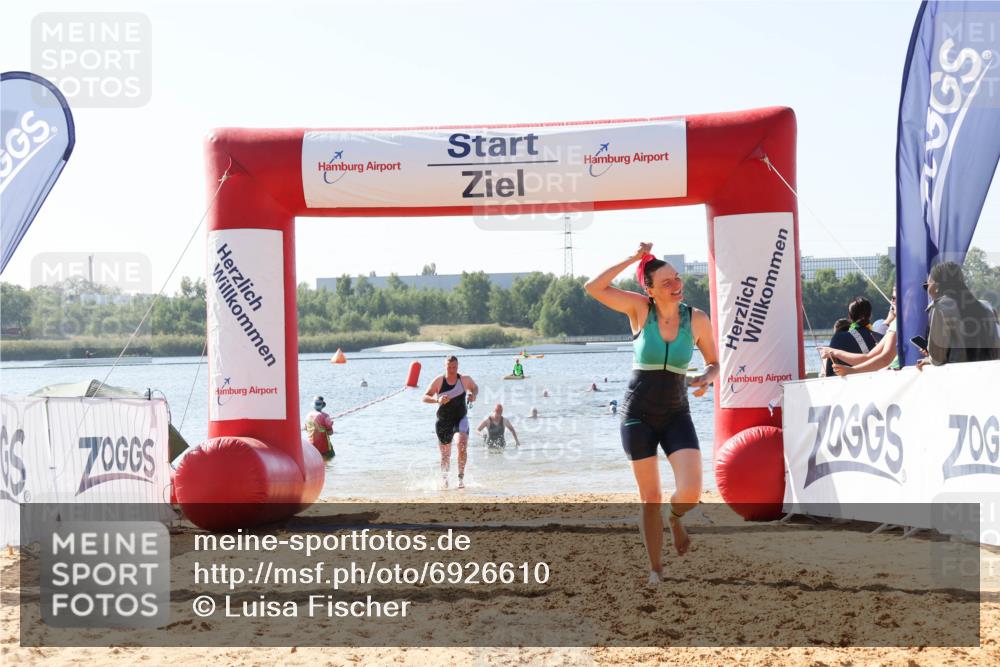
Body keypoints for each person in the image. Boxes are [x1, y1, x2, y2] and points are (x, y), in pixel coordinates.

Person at [584, 241, 719, 587]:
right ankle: (656, 569)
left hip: (677, 412)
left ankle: (675, 519)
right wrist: (632, 257)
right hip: (637, 414)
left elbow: (714, 363)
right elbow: (593, 288)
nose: (677, 285)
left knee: (689, 491)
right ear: (650, 289)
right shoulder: (639, 310)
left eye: (676, 278)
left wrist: (706, 377)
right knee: (651, 497)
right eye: (667, 282)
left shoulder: (696, 318)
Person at [917, 261, 1000, 370]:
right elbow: (996, 350)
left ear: (937, 286)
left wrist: (929, 359)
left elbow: (937, 357)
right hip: (988, 375)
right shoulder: (985, 308)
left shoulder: (940, 308)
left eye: (927, 285)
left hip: (957, 376)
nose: (927, 289)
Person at [422, 355, 479, 488]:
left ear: (457, 366)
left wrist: (473, 395)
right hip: (443, 421)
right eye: (449, 367)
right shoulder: (439, 381)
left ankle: (460, 479)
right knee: (445, 455)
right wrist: (438, 400)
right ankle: (445, 481)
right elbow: (424, 397)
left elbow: (475, 388)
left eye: (454, 367)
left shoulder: (465, 379)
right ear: (445, 367)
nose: (452, 370)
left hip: (460, 418)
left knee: (462, 444)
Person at [823, 297, 882, 377]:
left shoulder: (838, 337)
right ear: (870, 315)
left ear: (850, 316)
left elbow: (830, 373)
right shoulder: (880, 338)